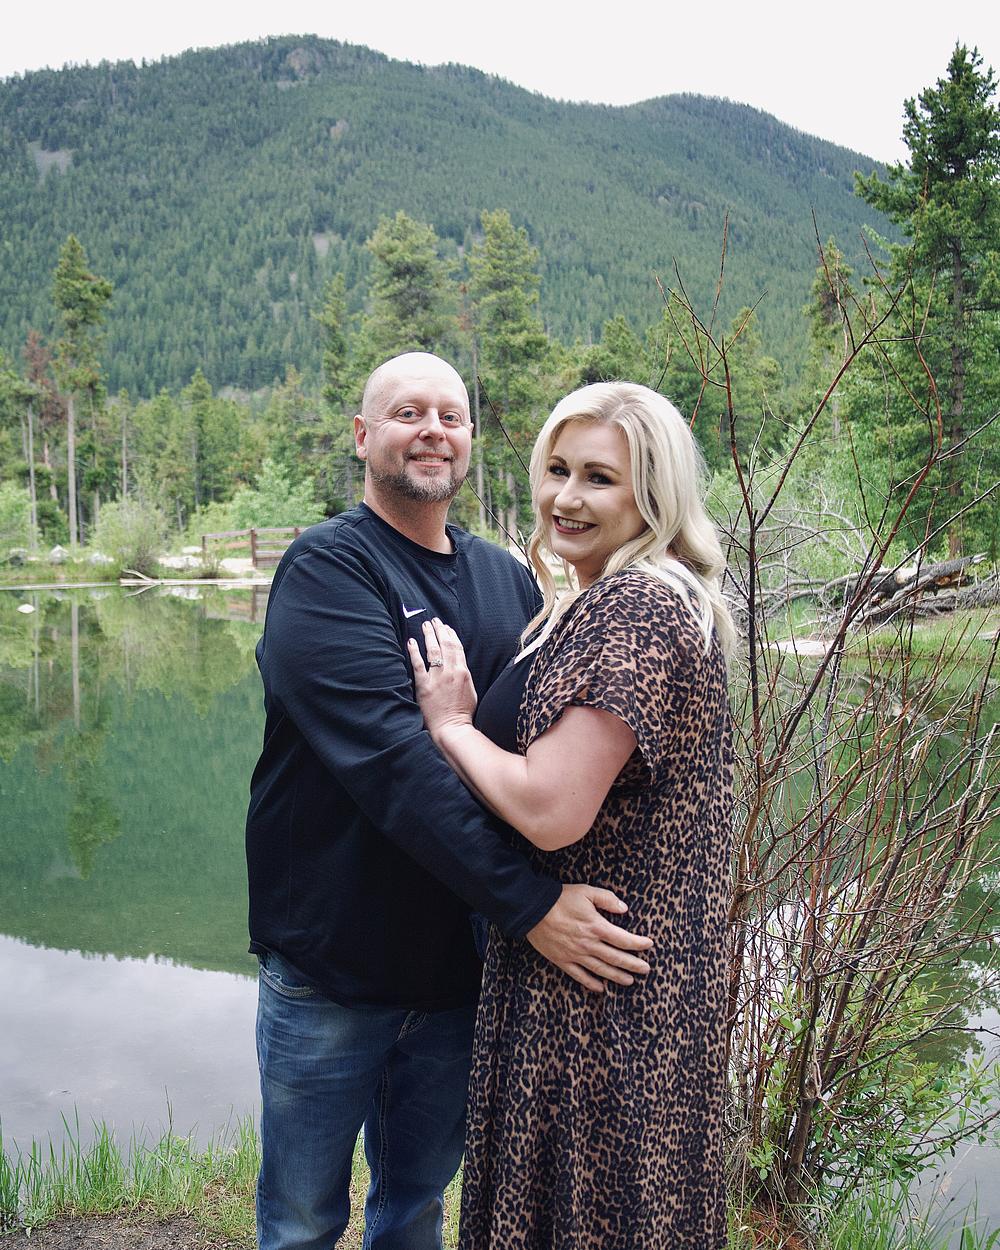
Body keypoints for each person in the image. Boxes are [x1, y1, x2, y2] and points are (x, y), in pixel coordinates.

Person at [244, 353, 654, 1250]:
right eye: (407, 413)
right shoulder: (328, 570)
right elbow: (395, 766)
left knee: (417, 1207)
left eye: (451, 415)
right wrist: (530, 903)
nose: (432, 430)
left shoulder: (507, 581)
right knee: (302, 1220)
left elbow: (537, 759)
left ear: (469, 439)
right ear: (363, 437)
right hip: (331, 969)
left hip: (461, 974)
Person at [409, 381, 736, 1250]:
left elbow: (551, 808)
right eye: (557, 470)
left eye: (600, 478)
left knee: (592, 1213)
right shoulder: (598, 601)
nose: (566, 497)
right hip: (594, 965)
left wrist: (449, 725)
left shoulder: (637, 608)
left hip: (603, 991)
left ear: (653, 497)